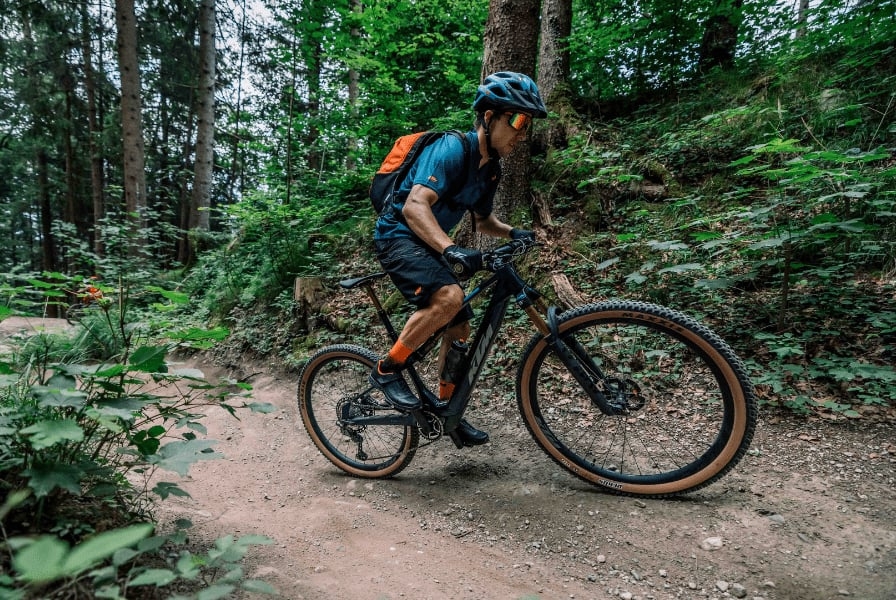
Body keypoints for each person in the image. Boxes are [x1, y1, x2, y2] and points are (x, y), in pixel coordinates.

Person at [369, 71, 548, 446]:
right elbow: (416, 207)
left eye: (526, 123)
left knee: (459, 326)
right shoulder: (452, 148)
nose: (521, 131)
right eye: (516, 119)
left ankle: (446, 411)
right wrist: (451, 250)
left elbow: (484, 221)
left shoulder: (492, 171)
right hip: (398, 235)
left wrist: (515, 233)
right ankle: (388, 369)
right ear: (488, 117)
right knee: (449, 297)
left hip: (428, 242)